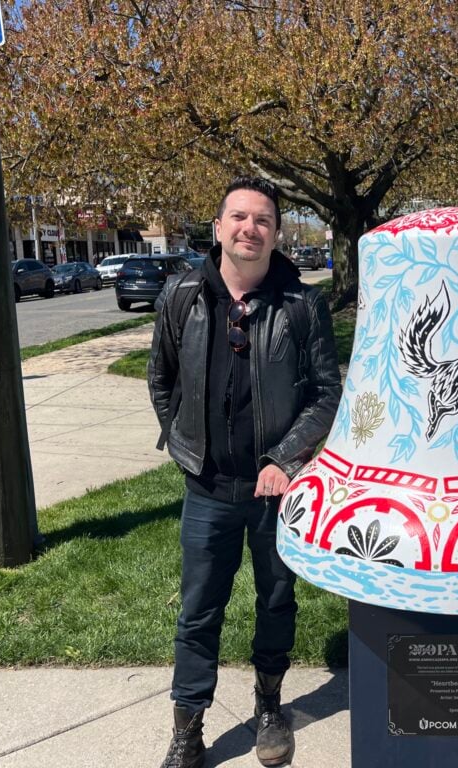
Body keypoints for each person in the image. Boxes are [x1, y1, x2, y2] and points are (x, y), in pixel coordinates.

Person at [148, 176, 341, 768]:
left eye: (262, 220)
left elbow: (326, 393)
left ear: (276, 233)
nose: (249, 228)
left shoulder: (302, 304)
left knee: (276, 600)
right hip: (208, 487)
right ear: (218, 227)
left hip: (274, 494)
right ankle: (187, 729)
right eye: (238, 216)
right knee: (198, 610)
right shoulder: (182, 295)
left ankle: (270, 707)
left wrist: (285, 458)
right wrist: (186, 443)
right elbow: (162, 379)